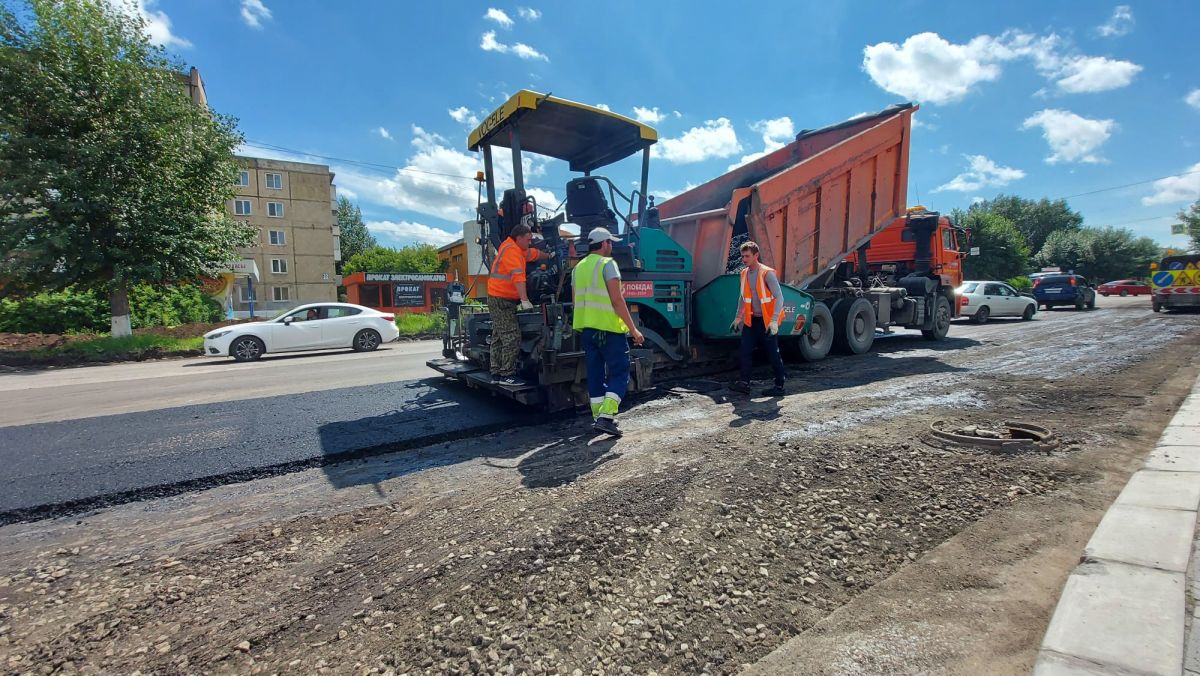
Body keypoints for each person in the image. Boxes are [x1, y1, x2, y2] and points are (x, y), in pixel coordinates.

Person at [573, 227, 645, 436]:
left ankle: (598, 418)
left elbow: (577, 300)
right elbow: (617, 300)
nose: (612, 246)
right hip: (608, 329)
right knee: (620, 370)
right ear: (604, 243)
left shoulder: (578, 268)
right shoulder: (607, 264)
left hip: (587, 329)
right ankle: (606, 417)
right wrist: (633, 329)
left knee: (595, 373)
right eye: (610, 243)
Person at [487, 223, 549, 385]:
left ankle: (496, 374)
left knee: (499, 337)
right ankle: (507, 375)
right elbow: (518, 277)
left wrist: (548, 255)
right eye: (528, 239)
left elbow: (531, 254)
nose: (530, 242)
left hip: (498, 297)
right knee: (512, 338)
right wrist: (524, 299)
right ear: (519, 237)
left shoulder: (511, 246)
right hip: (501, 300)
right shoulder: (512, 252)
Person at [729, 240, 787, 397]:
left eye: (747, 256)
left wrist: (774, 321)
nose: (744, 259)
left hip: (767, 322)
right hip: (751, 320)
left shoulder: (767, 273)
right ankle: (744, 383)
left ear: (756, 255)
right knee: (745, 351)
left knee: (772, 353)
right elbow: (743, 297)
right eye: (742, 256)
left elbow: (779, 298)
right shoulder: (744, 274)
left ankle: (779, 386)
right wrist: (738, 318)